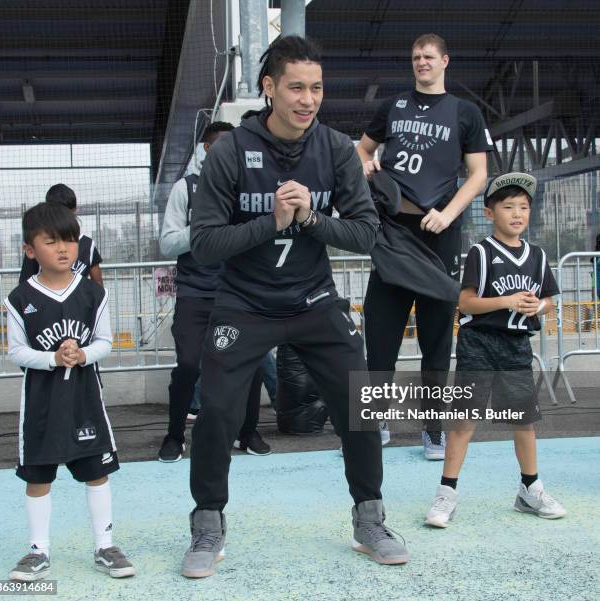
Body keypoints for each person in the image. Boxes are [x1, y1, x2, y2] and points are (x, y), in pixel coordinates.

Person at [181, 35, 408, 579]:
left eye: (317, 88)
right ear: (269, 88)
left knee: (360, 405)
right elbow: (204, 242)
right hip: (245, 304)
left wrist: (308, 218)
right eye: (296, 87)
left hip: (313, 300)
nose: (308, 99)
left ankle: (369, 518)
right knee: (216, 412)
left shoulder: (334, 150)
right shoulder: (231, 151)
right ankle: (207, 524)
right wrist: (271, 223)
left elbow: (366, 234)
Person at [357, 33, 493, 460]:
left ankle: (433, 428)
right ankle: (371, 425)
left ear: (445, 61)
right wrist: (366, 165)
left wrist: (448, 214)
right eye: (416, 56)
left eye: (429, 56)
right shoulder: (391, 108)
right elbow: (361, 151)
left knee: (437, 339)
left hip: (440, 233)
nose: (422, 62)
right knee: (380, 334)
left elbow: (478, 174)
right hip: (393, 231)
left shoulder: (464, 113)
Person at [424, 172, 566, 528]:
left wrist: (539, 307)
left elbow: (549, 299)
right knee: (463, 422)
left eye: (523, 207)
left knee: (524, 422)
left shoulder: (537, 256)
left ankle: (530, 489)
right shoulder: (481, 253)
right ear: (489, 213)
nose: (517, 213)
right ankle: (446, 492)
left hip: (517, 347)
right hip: (480, 345)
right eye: (508, 206)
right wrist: (508, 300)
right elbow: (466, 303)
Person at [4, 203, 134, 581]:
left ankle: (105, 545)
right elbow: (16, 351)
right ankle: (37, 552)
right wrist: (53, 358)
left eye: (71, 240)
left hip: (85, 400)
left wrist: (81, 355)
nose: (64, 248)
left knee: (97, 473)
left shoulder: (93, 294)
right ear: (30, 250)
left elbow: (106, 342)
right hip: (42, 406)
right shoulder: (19, 298)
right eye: (52, 242)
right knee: (38, 478)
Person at [158, 121, 270, 461]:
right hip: (195, 293)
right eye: (224, 145)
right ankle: (175, 436)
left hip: (238, 293)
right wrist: (203, 229)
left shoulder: (245, 188)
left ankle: (247, 432)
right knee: (189, 364)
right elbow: (166, 243)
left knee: (252, 366)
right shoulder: (185, 189)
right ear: (207, 150)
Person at [19, 184, 103, 286]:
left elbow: (98, 283)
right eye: (51, 242)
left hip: (78, 300)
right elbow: (25, 283)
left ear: (74, 210)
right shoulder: (40, 245)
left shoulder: (87, 245)